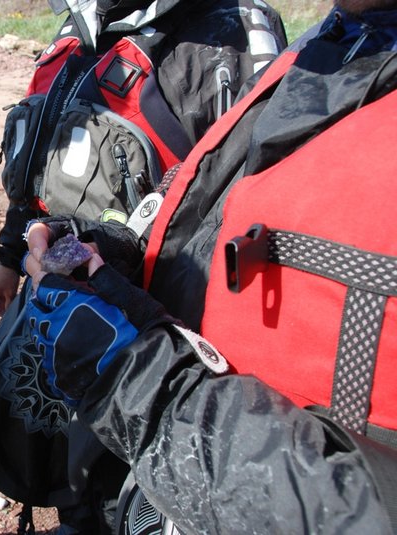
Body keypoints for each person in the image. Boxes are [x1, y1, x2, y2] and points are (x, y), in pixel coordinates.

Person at [22, 0, 397, 531]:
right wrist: (117, 255)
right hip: (145, 484)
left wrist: (137, 389)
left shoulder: (241, 37)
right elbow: (214, 211)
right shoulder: (331, 44)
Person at [0, 0, 286, 532]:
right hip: (54, 298)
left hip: (150, 331)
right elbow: (38, 166)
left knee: (126, 487)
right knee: (49, 456)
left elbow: (257, 204)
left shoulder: (233, 36)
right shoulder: (77, 30)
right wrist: (9, 255)